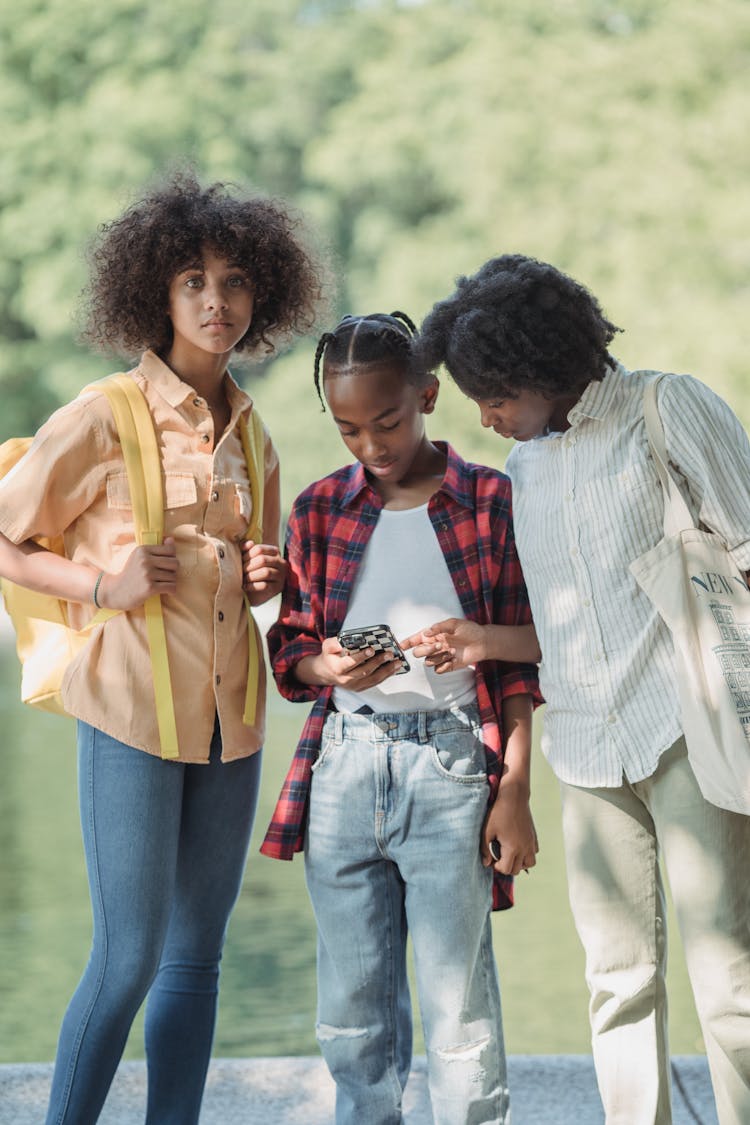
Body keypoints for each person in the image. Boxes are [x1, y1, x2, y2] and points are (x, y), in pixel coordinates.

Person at [0, 171, 322, 1125]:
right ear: (158, 294)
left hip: (233, 723)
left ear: (261, 293)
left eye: (232, 282)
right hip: (132, 715)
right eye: (192, 282)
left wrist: (263, 580)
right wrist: (104, 586)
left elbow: (242, 581)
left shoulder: (254, 434)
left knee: (197, 957)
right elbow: (8, 539)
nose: (215, 302)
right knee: (129, 956)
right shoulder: (104, 414)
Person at [414, 253, 750, 1125]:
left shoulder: (665, 406)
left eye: (491, 394)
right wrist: (485, 640)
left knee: (731, 983)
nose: (483, 418)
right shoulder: (528, 468)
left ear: (539, 365)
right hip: (589, 748)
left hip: (690, 729)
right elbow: (568, 627)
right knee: (617, 981)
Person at [259, 311, 541, 1125]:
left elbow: (521, 661)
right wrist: (327, 664)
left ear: (427, 394)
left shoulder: (492, 500)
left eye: (386, 421)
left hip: (452, 770)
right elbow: (291, 652)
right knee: (352, 1013)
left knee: (460, 1012)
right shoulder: (317, 511)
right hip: (343, 769)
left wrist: (514, 787)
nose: (371, 445)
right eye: (348, 429)